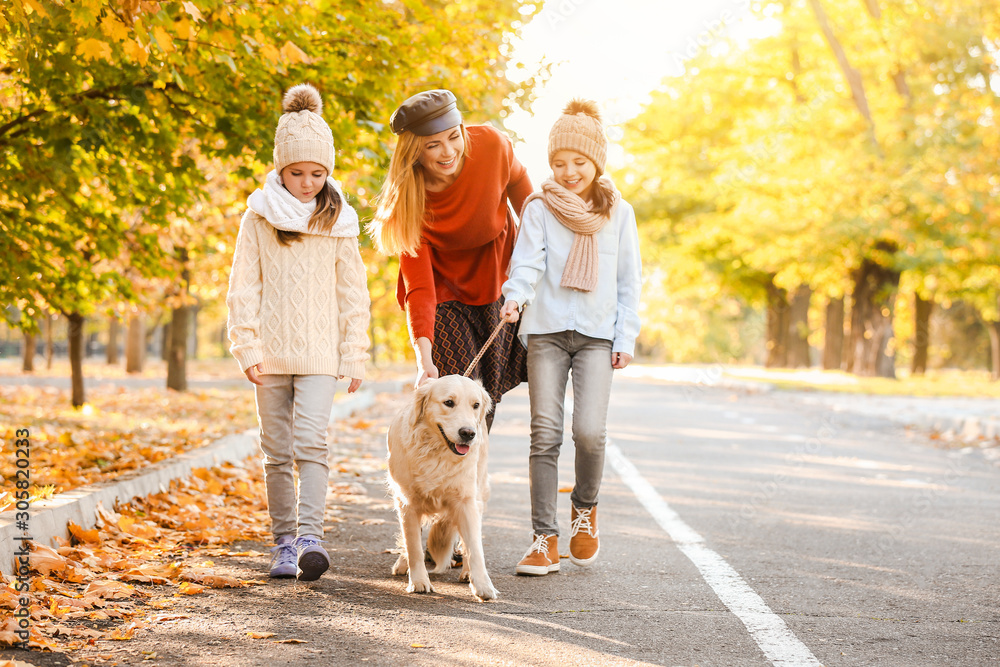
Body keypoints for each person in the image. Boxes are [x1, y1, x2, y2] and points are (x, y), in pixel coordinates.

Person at [226, 83, 370, 582]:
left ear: (327, 172)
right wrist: (244, 344)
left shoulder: (341, 222)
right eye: (296, 172)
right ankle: (283, 542)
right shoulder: (259, 217)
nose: (307, 182)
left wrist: (354, 352)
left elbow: (353, 293)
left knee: (312, 444)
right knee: (276, 450)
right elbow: (243, 284)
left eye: (317, 173)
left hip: (318, 355)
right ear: (280, 169)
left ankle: (312, 538)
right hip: (269, 355)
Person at [499, 100, 642, 576]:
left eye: (578, 163)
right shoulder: (539, 207)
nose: (568, 172)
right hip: (546, 330)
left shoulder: (619, 212)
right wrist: (514, 297)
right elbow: (528, 261)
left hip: (599, 335)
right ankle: (544, 538)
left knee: (589, 433)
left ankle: (584, 511)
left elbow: (628, 280)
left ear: (596, 162)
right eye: (559, 163)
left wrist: (627, 335)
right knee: (545, 434)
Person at [368, 89, 532, 425]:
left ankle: (469, 479)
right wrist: (423, 358)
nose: (448, 152)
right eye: (433, 145)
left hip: (497, 283)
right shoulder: (408, 204)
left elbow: (532, 208)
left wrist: (530, 277)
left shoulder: (491, 146)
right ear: (415, 152)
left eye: (453, 137)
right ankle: (440, 477)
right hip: (445, 302)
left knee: (481, 407)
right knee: (456, 407)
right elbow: (420, 288)